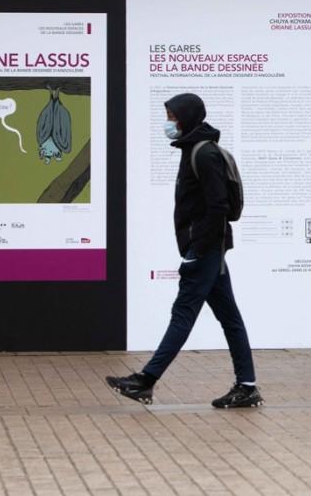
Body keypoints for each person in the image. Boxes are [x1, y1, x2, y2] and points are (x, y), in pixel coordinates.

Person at [105, 93, 262, 408]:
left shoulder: (204, 154)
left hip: (205, 250)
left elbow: (218, 206)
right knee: (230, 317)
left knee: (183, 314)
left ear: (188, 117)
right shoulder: (194, 149)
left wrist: (198, 249)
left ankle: (145, 381)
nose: (169, 123)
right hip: (208, 249)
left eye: (173, 117)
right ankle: (247, 386)